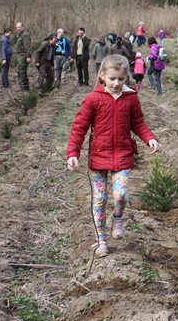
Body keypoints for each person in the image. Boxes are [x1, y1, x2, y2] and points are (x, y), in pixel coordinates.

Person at [66, 54, 159, 258]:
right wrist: (73, 152)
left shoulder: (131, 98)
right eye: (112, 79)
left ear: (127, 77)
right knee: (99, 200)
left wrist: (149, 138)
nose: (116, 83)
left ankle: (118, 216)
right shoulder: (93, 99)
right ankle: (101, 241)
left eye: (121, 79)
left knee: (121, 195)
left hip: (123, 155)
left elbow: (138, 123)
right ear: (102, 77)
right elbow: (79, 127)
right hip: (99, 157)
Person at [13, 22, 33, 91]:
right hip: (20, 55)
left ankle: (23, 88)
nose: (18, 29)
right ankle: (24, 87)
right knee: (22, 71)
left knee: (21, 71)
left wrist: (28, 57)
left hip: (23, 56)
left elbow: (28, 47)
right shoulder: (20, 35)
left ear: (23, 27)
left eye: (19, 27)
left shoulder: (25, 35)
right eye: (17, 27)